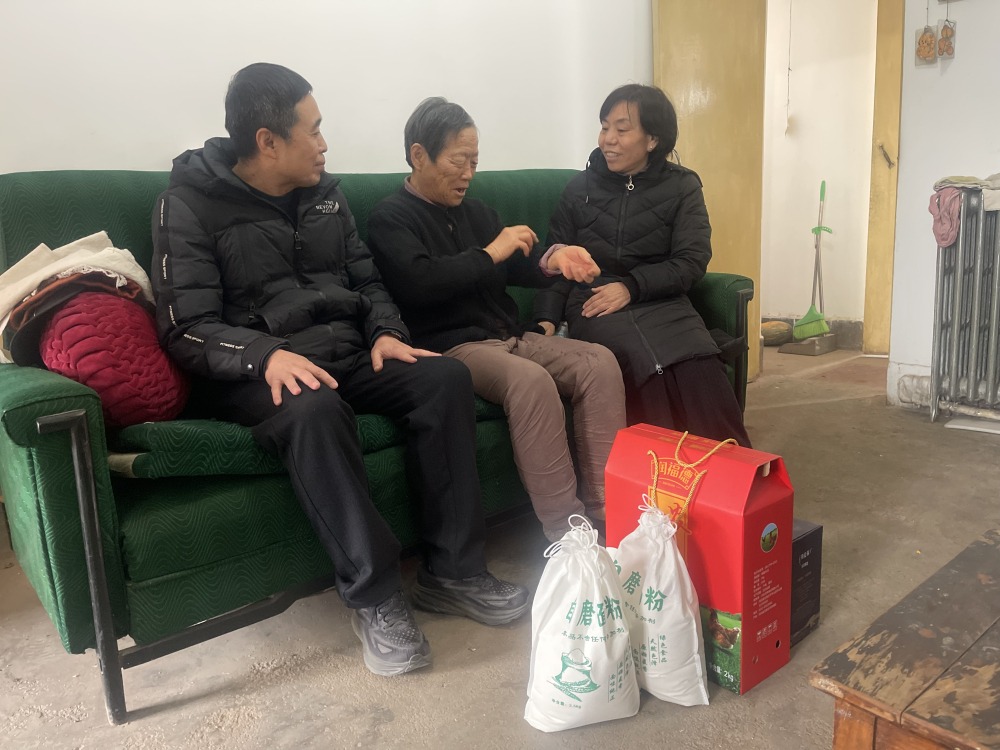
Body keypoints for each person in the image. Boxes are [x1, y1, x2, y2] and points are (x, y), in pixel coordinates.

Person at [151, 64, 529, 678]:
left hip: (348, 353)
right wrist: (264, 355)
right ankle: (376, 597)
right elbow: (184, 326)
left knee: (443, 379)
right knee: (316, 408)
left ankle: (453, 573)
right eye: (314, 129)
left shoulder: (326, 195)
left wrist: (387, 333)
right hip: (257, 371)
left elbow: (367, 279)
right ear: (268, 141)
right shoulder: (188, 204)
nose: (325, 143)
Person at [367, 97, 626, 543]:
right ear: (419, 155)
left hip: (511, 335)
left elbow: (521, 264)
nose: (468, 173)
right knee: (530, 381)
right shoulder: (390, 219)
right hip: (453, 347)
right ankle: (568, 534)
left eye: (474, 161)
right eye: (458, 161)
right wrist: (491, 253)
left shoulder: (478, 212)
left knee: (598, 362)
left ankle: (609, 508)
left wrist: (555, 259)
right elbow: (419, 284)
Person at [535, 84, 752, 447]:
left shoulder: (682, 187)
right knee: (645, 366)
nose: (608, 139)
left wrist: (632, 287)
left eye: (622, 130)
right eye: (605, 127)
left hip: (661, 298)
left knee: (699, 362)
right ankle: (656, 474)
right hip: (595, 303)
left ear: (652, 139)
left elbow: (691, 260)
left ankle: (733, 472)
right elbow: (556, 261)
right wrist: (544, 318)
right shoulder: (579, 188)